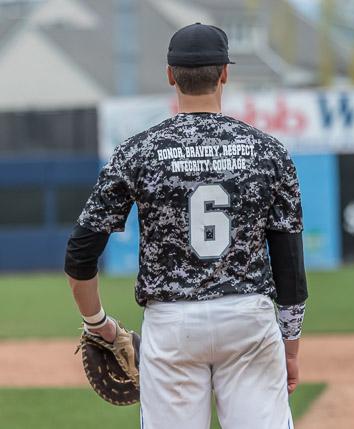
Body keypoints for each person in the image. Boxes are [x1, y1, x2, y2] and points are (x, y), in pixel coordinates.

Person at [64, 23, 308, 429]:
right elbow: (290, 265)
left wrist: (98, 324)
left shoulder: (138, 151)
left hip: (172, 326)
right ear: (224, 74)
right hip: (248, 320)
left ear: (170, 75)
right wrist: (291, 346)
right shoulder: (269, 151)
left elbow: (80, 254)